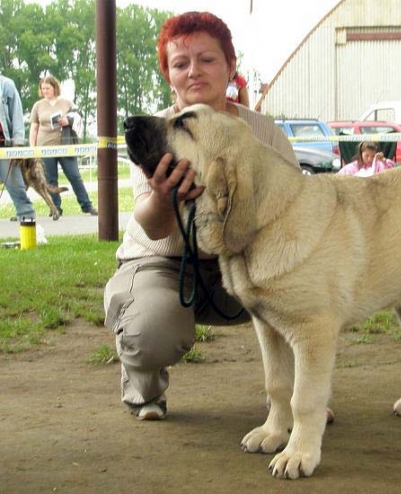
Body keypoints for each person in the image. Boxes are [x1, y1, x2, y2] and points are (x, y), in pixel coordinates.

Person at [103, 11, 299, 421]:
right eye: (180, 63)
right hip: (165, 262)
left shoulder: (264, 134)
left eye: (207, 60)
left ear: (230, 66)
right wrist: (163, 196)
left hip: (244, 258)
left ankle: (294, 398)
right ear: (168, 74)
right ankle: (144, 389)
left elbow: (293, 213)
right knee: (151, 330)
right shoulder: (153, 132)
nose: (194, 72)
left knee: (305, 288)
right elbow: (154, 227)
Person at [29, 75, 97, 217]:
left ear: (54, 87)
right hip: (45, 147)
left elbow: (78, 117)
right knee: (50, 179)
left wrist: (68, 120)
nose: (45, 90)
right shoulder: (38, 105)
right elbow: (34, 128)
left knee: (74, 175)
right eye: (43, 88)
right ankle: (55, 208)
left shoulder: (66, 103)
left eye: (48, 88)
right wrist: (32, 148)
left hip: (65, 145)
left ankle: (86, 205)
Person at [0, 73, 36, 222]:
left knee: (16, 186)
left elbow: (16, 115)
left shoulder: (6, 85)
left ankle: (27, 220)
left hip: (5, 145)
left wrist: (18, 145)